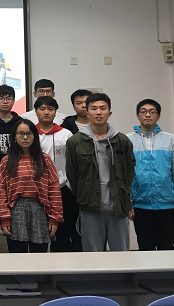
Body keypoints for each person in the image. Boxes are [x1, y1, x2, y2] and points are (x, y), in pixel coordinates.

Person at [65, 93, 135, 252]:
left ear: (109, 112)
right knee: (92, 254)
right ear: (87, 112)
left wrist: (125, 196)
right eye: (94, 108)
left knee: (121, 254)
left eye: (102, 108)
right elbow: (72, 174)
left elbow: (129, 172)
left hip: (118, 208)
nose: (98, 112)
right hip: (90, 208)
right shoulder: (75, 141)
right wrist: (84, 194)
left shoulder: (122, 141)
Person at [0, 119, 63, 253]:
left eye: (29, 133)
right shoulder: (6, 161)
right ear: (14, 136)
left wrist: (54, 218)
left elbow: (54, 189)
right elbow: (1, 191)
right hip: (15, 210)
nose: (25, 137)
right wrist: (4, 218)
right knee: (17, 255)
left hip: (40, 209)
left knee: (39, 255)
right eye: (21, 133)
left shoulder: (45, 160)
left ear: (35, 136)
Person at [127, 99, 174, 251]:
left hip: (167, 205)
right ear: (137, 115)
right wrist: (128, 203)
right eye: (143, 111)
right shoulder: (128, 140)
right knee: (145, 248)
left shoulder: (170, 139)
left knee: (167, 248)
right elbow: (126, 175)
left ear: (158, 116)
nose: (147, 115)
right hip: (140, 205)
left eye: (152, 112)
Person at [34, 96, 79, 252]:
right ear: (36, 111)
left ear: (55, 112)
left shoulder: (66, 134)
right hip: (37, 190)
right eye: (42, 109)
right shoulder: (30, 134)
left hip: (62, 189)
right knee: (39, 234)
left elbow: (73, 162)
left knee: (63, 233)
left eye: (50, 109)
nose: (46, 112)